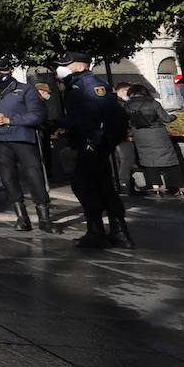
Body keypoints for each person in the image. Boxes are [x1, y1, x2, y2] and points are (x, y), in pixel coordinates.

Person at [56, 52, 132, 248]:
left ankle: (98, 232)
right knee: (101, 185)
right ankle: (117, 233)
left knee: (85, 185)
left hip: (91, 142)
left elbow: (99, 113)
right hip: (90, 141)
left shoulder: (88, 84)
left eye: (67, 65)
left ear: (81, 66)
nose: (61, 68)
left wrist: (65, 122)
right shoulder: (76, 84)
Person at [0, 57, 50, 231]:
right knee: (8, 178)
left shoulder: (26, 89)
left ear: (10, 70)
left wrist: (10, 120)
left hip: (23, 138)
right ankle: (22, 217)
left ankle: (44, 218)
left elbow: (37, 115)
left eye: (3, 70)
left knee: (34, 175)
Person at [125, 84, 184, 197]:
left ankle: (156, 188)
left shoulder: (127, 105)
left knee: (149, 161)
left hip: (140, 136)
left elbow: (126, 122)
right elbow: (166, 119)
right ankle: (181, 187)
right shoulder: (153, 102)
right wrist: (174, 116)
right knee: (170, 161)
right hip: (158, 135)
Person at [111, 83, 145, 196]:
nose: (129, 94)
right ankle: (123, 184)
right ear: (122, 90)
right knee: (127, 160)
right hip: (122, 136)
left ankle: (127, 184)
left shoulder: (112, 102)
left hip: (117, 135)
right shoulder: (119, 103)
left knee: (121, 161)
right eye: (128, 91)